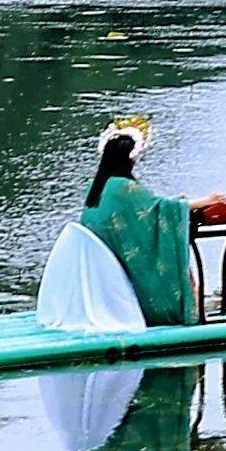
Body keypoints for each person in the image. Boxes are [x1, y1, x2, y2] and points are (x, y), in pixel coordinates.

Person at [37, 116, 194, 331]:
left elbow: (145, 209)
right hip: (113, 265)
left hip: (101, 261)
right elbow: (159, 209)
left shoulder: (98, 185)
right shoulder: (123, 187)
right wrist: (201, 203)